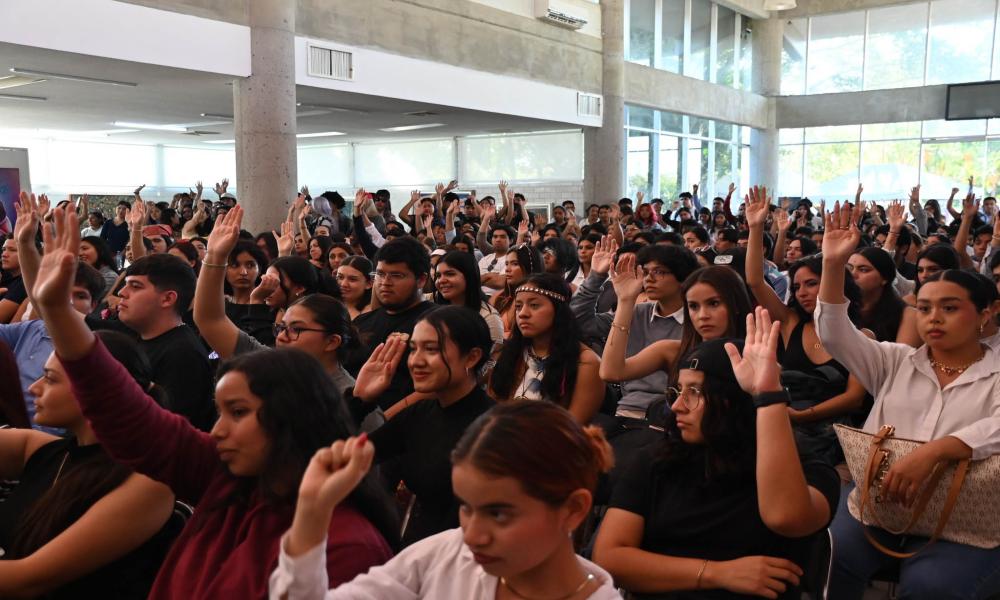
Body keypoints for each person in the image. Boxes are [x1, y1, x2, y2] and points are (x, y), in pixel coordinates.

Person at [30, 205, 397, 598]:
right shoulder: (229, 477)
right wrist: (56, 311)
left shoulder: (347, 545)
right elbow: (129, 414)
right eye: (221, 411)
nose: (217, 429)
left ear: (291, 415)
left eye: (238, 413)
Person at [816, 201, 1000, 599]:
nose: (933, 318)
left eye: (950, 308)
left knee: (931, 586)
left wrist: (937, 451)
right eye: (925, 308)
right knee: (828, 553)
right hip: (879, 504)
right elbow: (833, 332)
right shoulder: (894, 361)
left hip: (965, 519)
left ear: (987, 314)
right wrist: (833, 266)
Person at [593, 308, 839, 599]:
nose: (676, 406)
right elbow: (609, 558)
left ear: (733, 401)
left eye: (695, 392)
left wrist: (768, 394)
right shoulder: (656, 461)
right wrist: (717, 573)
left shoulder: (808, 470)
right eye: (677, 391)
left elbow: (786, 517)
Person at [271, 401, 621, 599]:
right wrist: (312, 513)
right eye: (466, 507)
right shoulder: (449, 554)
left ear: (573, 510)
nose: (472, 534)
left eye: (499, 514)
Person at [0, 330, 175, 598]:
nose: (33, 387)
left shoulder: (148, 483)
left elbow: (27, 580)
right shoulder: (45, 451)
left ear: (97, 392)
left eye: (49, 378)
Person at [348, 306, 495, 545]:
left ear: (472, 357)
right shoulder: (420, 413)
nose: (416, 361)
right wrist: (359, 400)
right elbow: (349, 457)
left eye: (432, 349)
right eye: (414, 349)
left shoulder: (492, 429)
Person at [194, 206, 358, 395]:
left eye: (296, 329)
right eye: (280, 327)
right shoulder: (274, 366)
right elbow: (209, 320)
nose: (280, 337)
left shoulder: (348, 400)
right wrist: (215, 255)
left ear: (332, 341)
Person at [572, 237, 700, 419]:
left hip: (679, 411)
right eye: (645, 272)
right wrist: (596, 277)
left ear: (683, 277)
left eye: (659, 272)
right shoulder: (637, 312)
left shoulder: (698, 318)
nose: (649, 278)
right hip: (629, 409)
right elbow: (579, 323)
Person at [488, 273, 603, 424]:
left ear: (558, 310)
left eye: (534, 305)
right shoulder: (510, 353)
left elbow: (572, 428)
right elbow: (491, 412)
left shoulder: (586, 362)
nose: (522, 314)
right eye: (518, 306)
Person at [118, 253, 216, 431]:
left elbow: (166, 430)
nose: (121, 293)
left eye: (135, 286)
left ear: (167, 299)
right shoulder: (141, 338)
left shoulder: (183, 354)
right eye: (125, 285)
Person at [348, 236, 437, 411]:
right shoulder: (362, 321)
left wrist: (384, 420)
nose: (385, 283)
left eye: (396, 275)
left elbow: (436, 386)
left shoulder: (438, 323)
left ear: (421, 280)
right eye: (380, 274)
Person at [432, 250, 504, 348]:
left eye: (450, 274)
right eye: (438, 275)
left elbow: (492, 361)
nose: (441, 280)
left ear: (469, 276)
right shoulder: (433, 306)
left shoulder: (488, 318)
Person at [848, 247, 920, 345]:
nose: (853, 274)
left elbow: (903, 358)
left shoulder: (907, 315)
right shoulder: (840, 307)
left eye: (863, 270)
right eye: (849, 268)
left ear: (885, 278)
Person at [490, 243, 544, 339]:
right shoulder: (499, 296)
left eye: (515, 264)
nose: (507, 269)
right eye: (506, 264)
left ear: (529, 266)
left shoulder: (540, 298)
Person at [337, 255, 374, 320]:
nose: (343, 284)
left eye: (352, 279)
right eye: (340, 277)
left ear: (369, 284)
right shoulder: (330, 306)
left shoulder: (373, 314)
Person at [0, 235, 27, 323]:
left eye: (12, 250)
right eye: (4, 249)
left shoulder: (24, 283)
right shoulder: (6, 276)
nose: (4, 254)